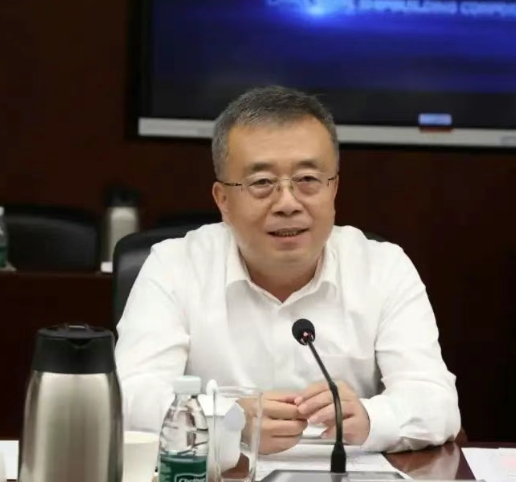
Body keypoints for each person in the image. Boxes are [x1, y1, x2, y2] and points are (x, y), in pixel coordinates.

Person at [115, 85, 460, 454]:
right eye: (262, 183)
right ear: (223, 200)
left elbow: (436, 402)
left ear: (334, 189)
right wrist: (227, 420)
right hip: (219, 481)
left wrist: (370, 418)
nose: (287, 203)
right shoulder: (174, 266)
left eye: (308, 180)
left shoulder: (383, 268)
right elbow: (130, 395)